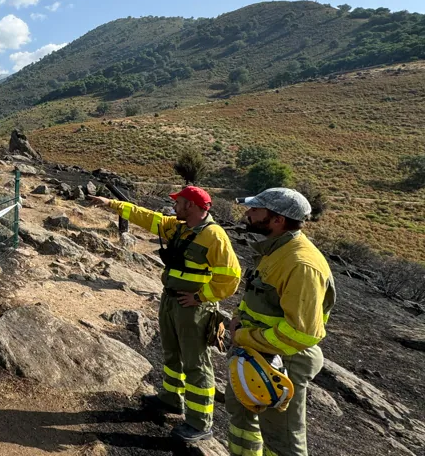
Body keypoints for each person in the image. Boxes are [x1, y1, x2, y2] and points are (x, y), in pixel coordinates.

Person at [90, 186, 241, 442]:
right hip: (171, 301)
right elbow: (147, 217)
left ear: (191, 206)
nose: (174, 207)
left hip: (195, 309)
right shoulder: (178, 226)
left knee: (196, 364)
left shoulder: (214, 236)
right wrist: (110, 204)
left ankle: (200, 423)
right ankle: (172, 399)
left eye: (179, 203)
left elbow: (231, 278)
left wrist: (200, 297)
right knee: (172, 353)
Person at [226, 188, 335, 456]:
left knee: (282, 441)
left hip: (283, 362)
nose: (248, 213)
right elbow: (257, 296)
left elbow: (301, 334)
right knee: (242, 420)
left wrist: (242, 336)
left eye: (255, 210)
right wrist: (238, 318)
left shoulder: (301, 264)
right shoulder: (274, 250)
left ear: (278, 220)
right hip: (255, 353)